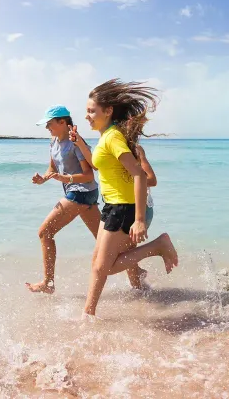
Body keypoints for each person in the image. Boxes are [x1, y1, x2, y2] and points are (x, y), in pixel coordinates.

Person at [70, 79, 179, 317]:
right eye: (87, 111)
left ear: (108, 111)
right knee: (97, 265)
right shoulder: (106, 136)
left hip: (123, 207)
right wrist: (79, 143)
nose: (87, 116)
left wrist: (139, 219)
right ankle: (89, 312)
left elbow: (139, 175)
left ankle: (158, 245)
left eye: (91, 111)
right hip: (111, 205)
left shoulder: (112, 137)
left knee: (103, 267)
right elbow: (99, 166)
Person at [26, 106, 146, 293]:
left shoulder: (76, 143)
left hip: (80, 192)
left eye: (49, 123)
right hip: (82, 194)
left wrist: (67, 179)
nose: (47, 127)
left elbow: (89, 175)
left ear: (62, 122)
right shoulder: (53, 142)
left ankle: (48, 284)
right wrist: (43, 178)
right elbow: (52, 168)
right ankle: (138, 279)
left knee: (45, 233)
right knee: (107, 243)